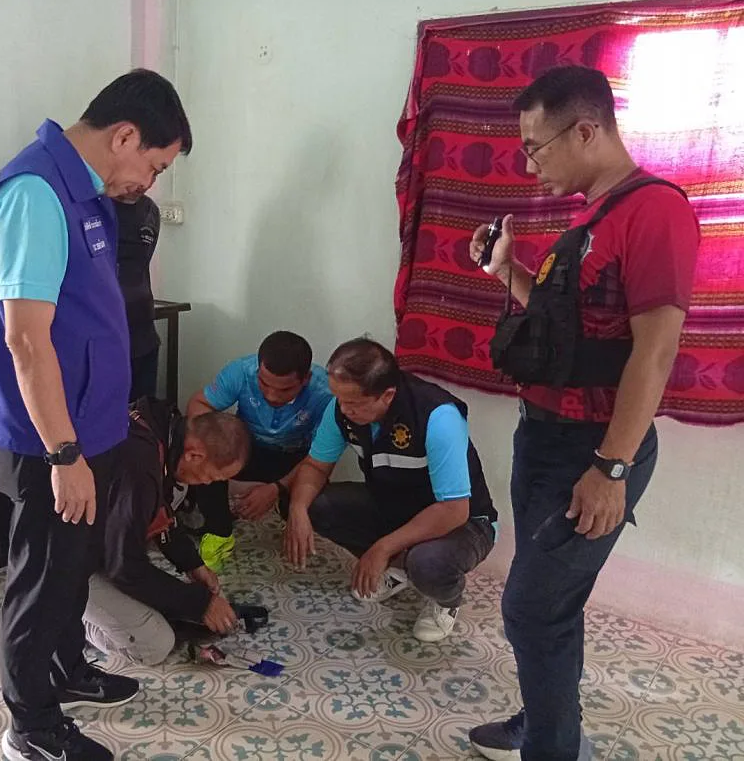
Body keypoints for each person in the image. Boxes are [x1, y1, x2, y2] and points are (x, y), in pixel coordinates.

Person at [466, 66, 699, 761]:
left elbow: (655, 351)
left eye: (535, 147)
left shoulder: (654, 211)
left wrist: (612, 466)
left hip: (593, 449)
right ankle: (543, 722)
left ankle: (552, 747)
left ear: (587, 130)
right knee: (551, 605)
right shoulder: (591, 216)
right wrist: (506, 271)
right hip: (543, 439)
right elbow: (565, 334)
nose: (529, 164)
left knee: (531, 607)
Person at [0, 69, 192, 761]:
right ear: (125, 135)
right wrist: (64, 454)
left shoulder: (86, 194)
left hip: (87, 426)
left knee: (71, 567)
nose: (149, 183)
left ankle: (65, 668)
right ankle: (30, 726)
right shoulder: (35, 192)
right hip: (53, 440)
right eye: (155, 166)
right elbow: (25, 338)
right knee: (42, 579)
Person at [283, 338, 497, 642]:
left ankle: (446, 600)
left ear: (387, 395)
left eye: (354, 403)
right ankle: (398, 568)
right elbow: (316, 467)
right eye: (339, 399)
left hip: (465, 523)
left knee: (428, 563)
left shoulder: (438, 416)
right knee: (314, 504)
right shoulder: (341, 409)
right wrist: (297, 509)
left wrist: (382, 547)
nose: (343, 409)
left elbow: (454, 510)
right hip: (395, 506)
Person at [82, 398, 251, 667]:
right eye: (211, 477)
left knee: (164, 610)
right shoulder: (139, 466)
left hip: (100, 546)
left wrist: (193, 564)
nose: (207, 484)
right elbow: (123, 566)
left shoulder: (162, 430)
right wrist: (200, 604)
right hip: (67, 562)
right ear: (195, 455)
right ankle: (72, 622)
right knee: (155, 644)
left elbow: (160, 512)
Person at [186, 331, 334, 571]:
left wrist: (276, 489)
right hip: (247, 449)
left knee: (318, 505)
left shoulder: (326, 394)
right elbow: (199, 403)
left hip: (297, 458)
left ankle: (286, 514)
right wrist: (216, 443)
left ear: (305, 379)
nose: (271, 395)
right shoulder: (240, 371)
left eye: (284, 390)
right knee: (203, 457)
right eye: (264, 384)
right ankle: (218, 531)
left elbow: (320, 459)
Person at [114, 194, 162, 401]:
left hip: (143, 337)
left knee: (142, 413)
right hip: (103, 338)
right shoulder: (90, 205)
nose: (147, 182)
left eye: (155, 177)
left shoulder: (149, 210)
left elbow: (139, 267)